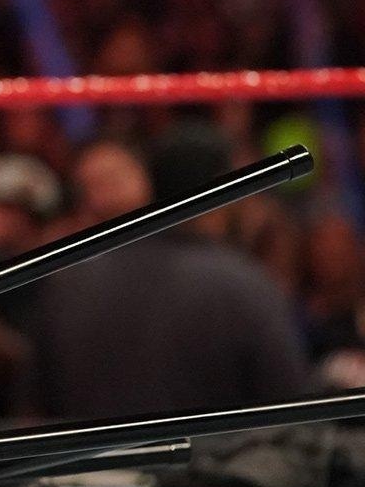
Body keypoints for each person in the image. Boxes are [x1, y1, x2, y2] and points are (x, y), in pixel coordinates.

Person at [19, 126, 313, 419]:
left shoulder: (70, 282)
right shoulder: (245, 286)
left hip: (88, 449)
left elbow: (31, 408)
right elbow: (292, 410)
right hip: (209, 449)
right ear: (222, 193)